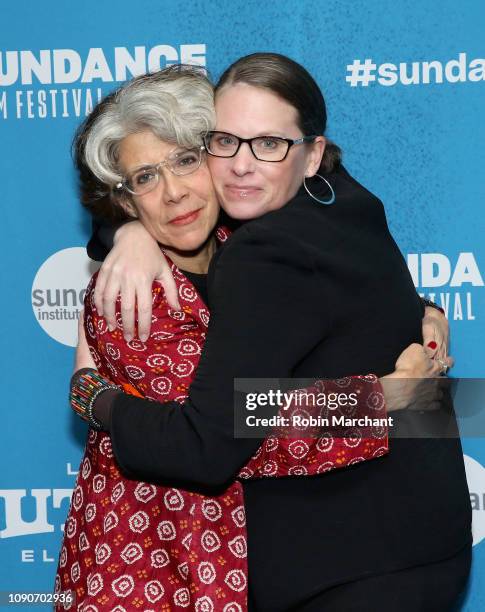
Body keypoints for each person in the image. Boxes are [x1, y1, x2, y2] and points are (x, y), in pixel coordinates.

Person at [71, 54, 470, 611]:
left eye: (186, 160)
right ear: (124, 196)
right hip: (156, 565)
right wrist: (382, 398)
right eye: (145, 179)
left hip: (321, 557)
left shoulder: (248, 225)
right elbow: (229, 439)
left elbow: (338, 283)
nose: (175, 192)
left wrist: (420, 308)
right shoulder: (137, 296)